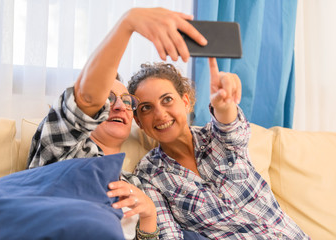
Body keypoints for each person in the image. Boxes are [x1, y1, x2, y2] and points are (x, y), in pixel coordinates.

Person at [26, 7, 207, 240]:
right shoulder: (61, 146)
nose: (120, 106)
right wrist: (127, 24)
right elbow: (86, 99)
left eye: (127, 101)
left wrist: (150, 216)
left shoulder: (140, 183)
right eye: (108, 99)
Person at [127, 58, 310, 239]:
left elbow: (232, 128)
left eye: (167, 99)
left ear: (185, 102)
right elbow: (169, 234)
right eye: (146, 108)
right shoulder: (149, 175)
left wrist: (224, 105)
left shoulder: (217, 137)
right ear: (139, 122)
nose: (159, 114)